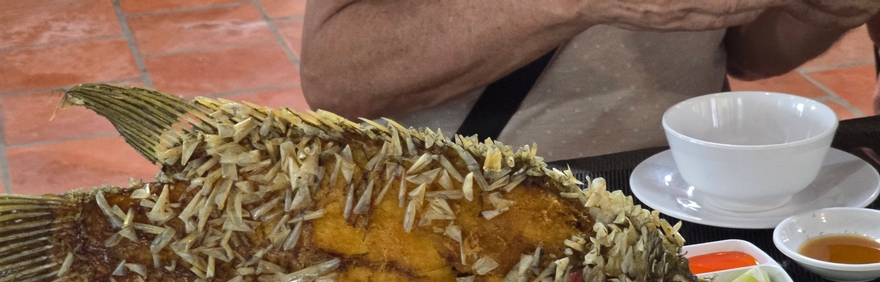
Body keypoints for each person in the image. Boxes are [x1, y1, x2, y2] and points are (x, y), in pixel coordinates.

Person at [300, 0, 880, 161]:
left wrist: (820, 11)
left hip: (682, 192)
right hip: (459, 218)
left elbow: (749, 55)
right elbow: (338, 75)